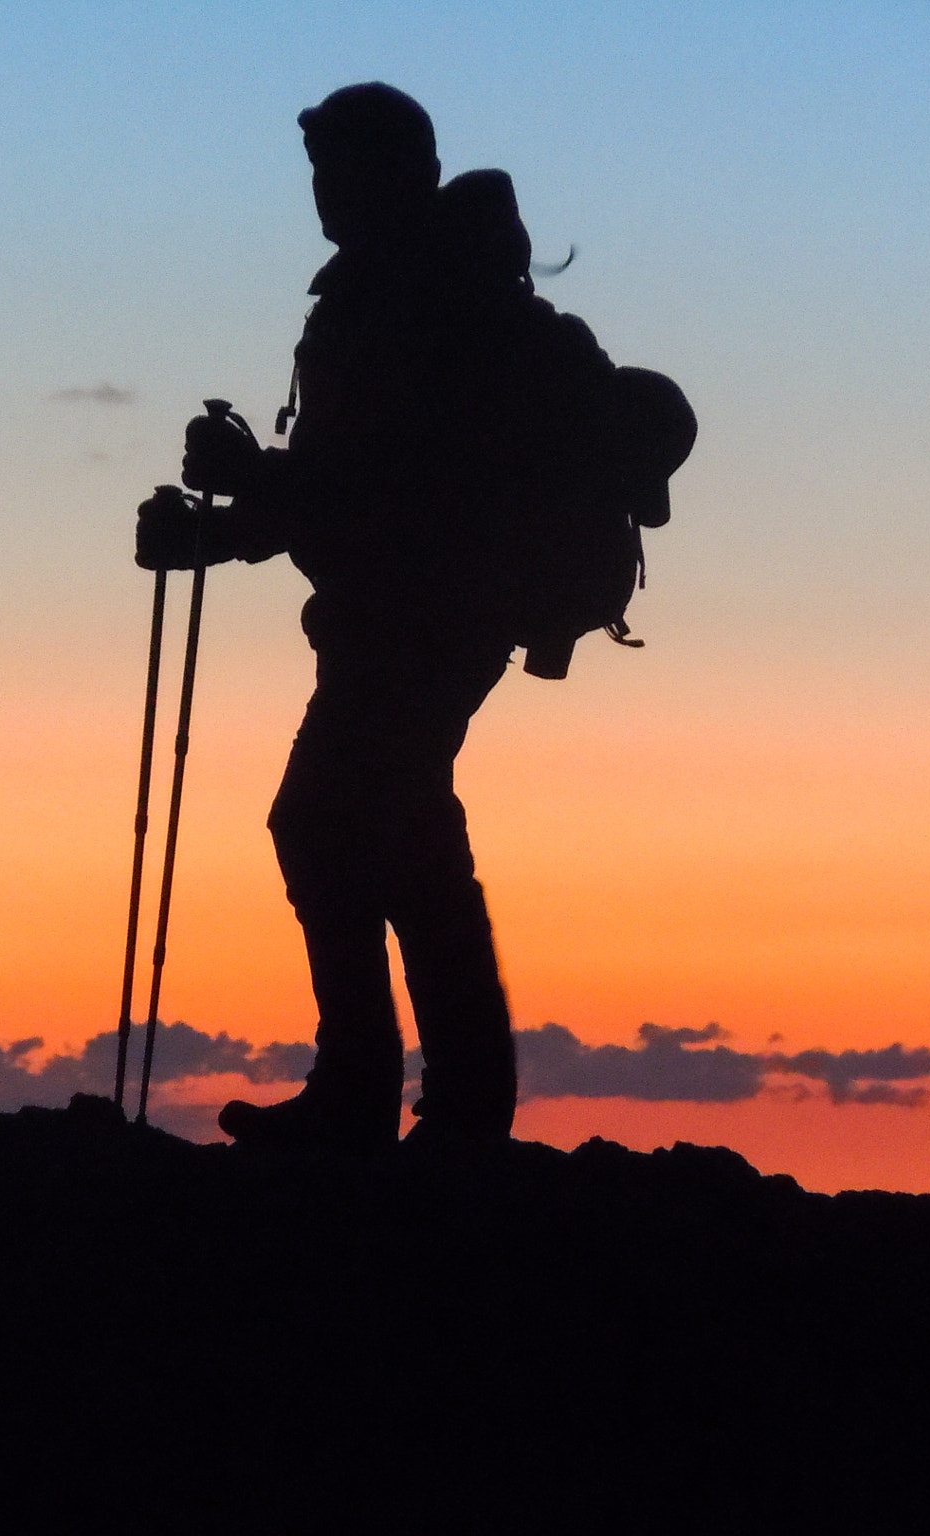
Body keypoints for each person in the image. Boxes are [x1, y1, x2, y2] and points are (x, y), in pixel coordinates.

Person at [135, 84, 591, 1150]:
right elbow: (344, 486)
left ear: (402, 172)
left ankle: (369, 1094)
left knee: (328, 821)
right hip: (402, 612)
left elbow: (394, 486)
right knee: (405, 833)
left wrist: (254, 484)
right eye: (317, 169)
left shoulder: (427, 303)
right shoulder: (379, 295)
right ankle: (444, 1099)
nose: (324, 190)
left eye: (343, 168)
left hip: (430, 613)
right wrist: (226, 523)